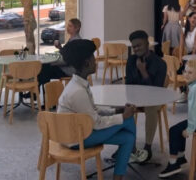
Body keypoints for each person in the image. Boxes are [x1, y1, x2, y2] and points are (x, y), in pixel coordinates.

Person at [58, 39, 147, 178]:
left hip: (79, 131)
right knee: (128, 121)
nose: (95, 61)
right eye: (93, 58)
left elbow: (92, 110)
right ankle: (133, 151)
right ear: (87, 62)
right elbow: (97, 123)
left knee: (128, 137)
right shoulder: (78, 92)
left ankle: (120, 172)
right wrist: (123, 116)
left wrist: (115, 111)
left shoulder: (78, 83)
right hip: (76, 139)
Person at [158, 59, 196, 178]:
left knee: (174, 131)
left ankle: (173, 164)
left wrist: (189, 130)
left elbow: (194, 112)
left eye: (190, 73)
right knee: (178, 129)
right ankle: (181, 158)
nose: (186, 75)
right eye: (185, 71)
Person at [125, 30, 166, 162]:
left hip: (154, 99)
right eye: (134, 47)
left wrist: (143, 72)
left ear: (147, 44)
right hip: (135, 97)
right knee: (121, 107)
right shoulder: (131, 60)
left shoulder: (160, 63)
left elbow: (156, 91)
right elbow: (129, 85)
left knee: (151, 108)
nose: (136, 49)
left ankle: (147, 147)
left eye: (139, 45)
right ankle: (128, 145)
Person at [39, 18, 82, 86]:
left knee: (45, 68)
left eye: (70, 26)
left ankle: (39, 91)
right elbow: (66, 54)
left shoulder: (76, 42)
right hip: (67, 66)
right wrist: (59, 47)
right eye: (68, 25)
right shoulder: (72, 39)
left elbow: (67, 60)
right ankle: (39, 90)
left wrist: (53, 62)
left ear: (76, 28)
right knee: (44, 68)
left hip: (69, 70)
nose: (67, 28)